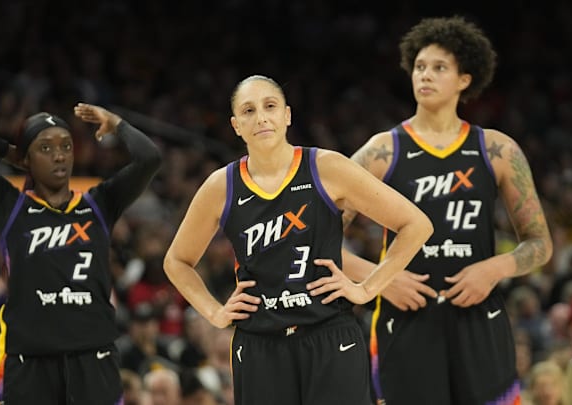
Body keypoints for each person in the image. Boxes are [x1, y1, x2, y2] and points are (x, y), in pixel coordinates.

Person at [163, 75, 433, 405]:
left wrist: (367, 288)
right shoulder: (222, 185)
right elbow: (176, 261)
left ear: (287, 115)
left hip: (329, 335)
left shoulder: (326, 167)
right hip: (259, 344)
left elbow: (416, 224)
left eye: (270, 106)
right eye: (248, 110)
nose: (260, 117)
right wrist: (215, 313)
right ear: (236, 125)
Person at [341, 16, 553, 404]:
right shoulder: (382, 151)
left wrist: (495, 268)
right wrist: (378, 278)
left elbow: (540, 243)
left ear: (465, 79)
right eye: (420, 66)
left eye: (440, 68)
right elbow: (312, 236)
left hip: (478, 317)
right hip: (406, 319)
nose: (426, 75)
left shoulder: (497, 150)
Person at [0, 103, 162, 405]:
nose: (59, 155)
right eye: (45, 148)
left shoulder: (100, 204)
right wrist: (11, 153)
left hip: (94, 360)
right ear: (28, 158)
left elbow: (150, 158)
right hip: (30, 362)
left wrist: (117, 124)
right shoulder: (9, 206)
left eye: (66, 147)